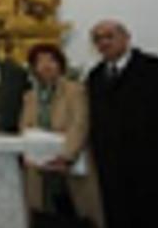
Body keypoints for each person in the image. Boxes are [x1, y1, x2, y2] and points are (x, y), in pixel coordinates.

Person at [86, 20, 158, 228]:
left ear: (126, 38)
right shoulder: (94, 78)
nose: (103, 43)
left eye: (109, 36)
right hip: (110, 169)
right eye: (98, 39)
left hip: (151, 168)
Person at [19, 43, 103, 228]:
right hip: (40, 167)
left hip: (70, 164)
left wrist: (66, 156)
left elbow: (79, 124)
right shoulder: (30, 96)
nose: (46, 65)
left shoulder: (75, 90)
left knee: (78, 217)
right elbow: (25, 127)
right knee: (43, 217)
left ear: (60, 64)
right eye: (39, 61)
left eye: (51, 60)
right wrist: (27, 152)